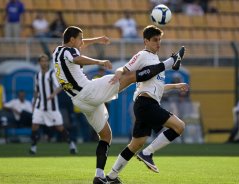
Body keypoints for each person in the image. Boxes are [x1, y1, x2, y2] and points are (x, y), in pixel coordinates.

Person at [52, 26, 185, 184]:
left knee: (106, 136)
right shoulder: (68, 51)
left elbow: (78, 48)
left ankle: (101, 176)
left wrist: (97, 40)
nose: (82, 42)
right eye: (80, 39)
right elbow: (76, 58)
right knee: (128, 77)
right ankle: (171, 62)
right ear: (72, 40)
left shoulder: (57, 52)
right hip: (88, 91)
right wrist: (99, 61)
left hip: (82, 102)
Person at [106, 25, 188, 183]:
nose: (158, 43)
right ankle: (148, 153)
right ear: (146, 41)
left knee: (135, 144)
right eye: (155, 40)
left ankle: (111, 176)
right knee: (179, 126)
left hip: (147, 104)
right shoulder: (143, 55)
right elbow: (128, 67)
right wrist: (118, 72)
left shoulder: (156, 60)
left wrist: (176, 86)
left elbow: (157, 88)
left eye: (160, 40)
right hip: (146, 104)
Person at [29, 54, 77, 155]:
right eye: (42, 61)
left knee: (60, 128)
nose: (44, 62)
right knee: (34, 126)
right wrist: (33, 104)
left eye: (46, 61)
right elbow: (36, 91)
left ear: (48, 62)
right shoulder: (37, 76)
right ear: (39, 62)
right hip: (40, 106)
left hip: (52, 107)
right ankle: (33, 147)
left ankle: (71, 144)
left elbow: (60, 86)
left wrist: (52, 94)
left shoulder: (52, 74)